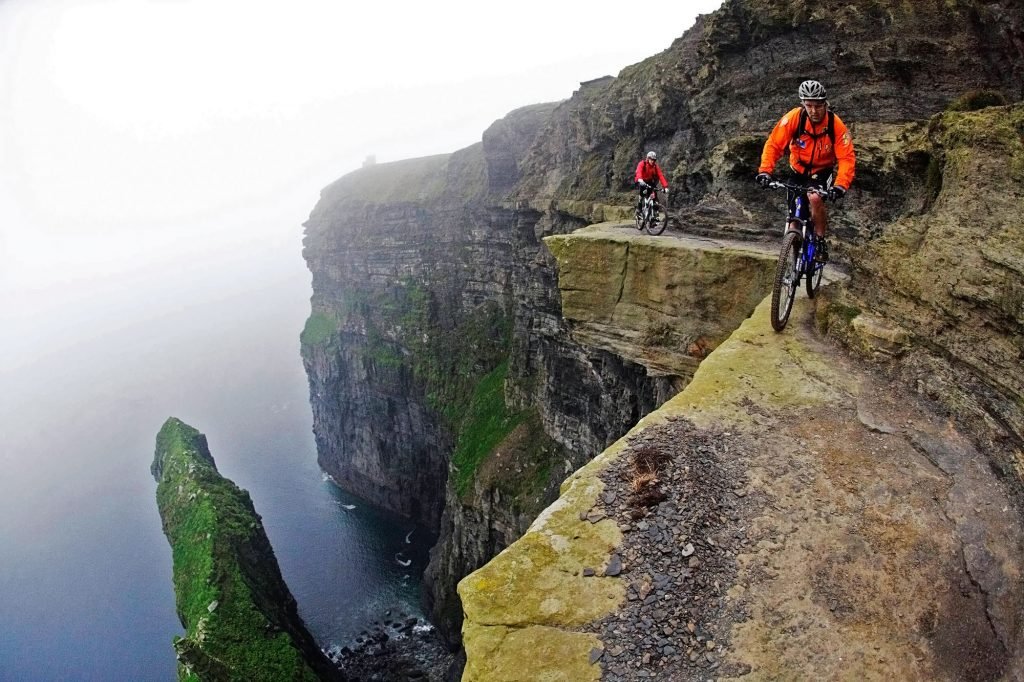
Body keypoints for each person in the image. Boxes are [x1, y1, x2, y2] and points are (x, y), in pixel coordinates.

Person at [756, 80, 855, 263]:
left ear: (825, 104)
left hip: (821, 171)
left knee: (815, 197)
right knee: (794, 217)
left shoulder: (835, 125)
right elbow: (774, 144)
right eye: (809, 105)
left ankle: (819, 240)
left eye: (818, 106)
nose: (813, 111)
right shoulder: (795, 118)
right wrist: (765, 171)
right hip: (798, 170)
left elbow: (846, 158)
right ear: (803, 104)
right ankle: (791, 262)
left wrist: (840, 185)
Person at [635, 150, 669, 220]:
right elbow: (639, 172)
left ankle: (655, 215)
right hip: (641, 180)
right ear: (648, 158)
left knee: (655, 196)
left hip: (650, 181)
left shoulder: (655, 167)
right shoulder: (642, 164)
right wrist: (640, 180)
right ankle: (639, 209)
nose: (652, 161)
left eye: (654, 160)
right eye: (651, 159)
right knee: (642, 193)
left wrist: (665, 187)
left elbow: (660, 176)